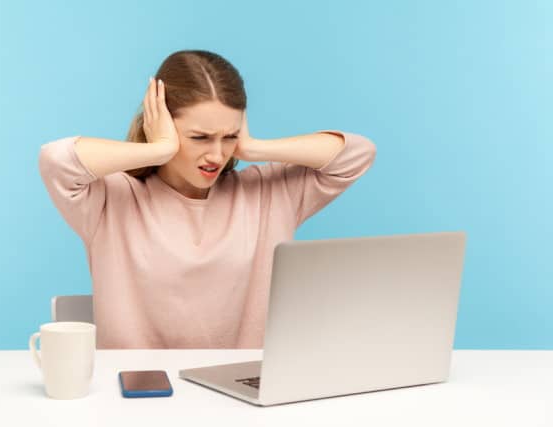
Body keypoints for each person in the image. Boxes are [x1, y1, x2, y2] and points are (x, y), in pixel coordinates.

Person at [38, 49, 377, 349]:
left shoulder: (267, 193)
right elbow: (56, 160)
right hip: (139, 401)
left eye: (229, 136)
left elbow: (358, 154)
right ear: (163, 125)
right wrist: (159, 149)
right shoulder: (111, 199)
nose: (216, 154)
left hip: (242, 400)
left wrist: (254, 148)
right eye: (199, 137)